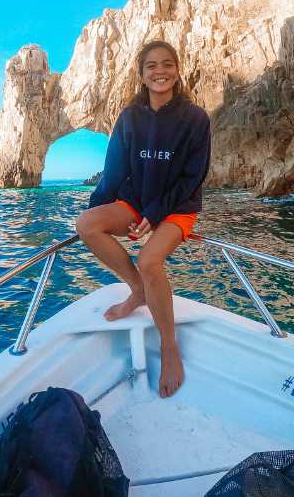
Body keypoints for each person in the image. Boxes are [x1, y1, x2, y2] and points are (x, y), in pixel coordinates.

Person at [76, 40, 211, 398]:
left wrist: (154, 215)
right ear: (141, 74)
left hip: (179, 205)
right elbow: (114, 171)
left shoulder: (196, 119)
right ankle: (138, 291)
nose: (159, 71)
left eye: (167, 64)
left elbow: (192, 177)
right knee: (87, 225)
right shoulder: (129, 118)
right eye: (151, 65)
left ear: (177, 70)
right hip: (138, 200)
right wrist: (96, 208)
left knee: (149, 258)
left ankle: (169, 345)